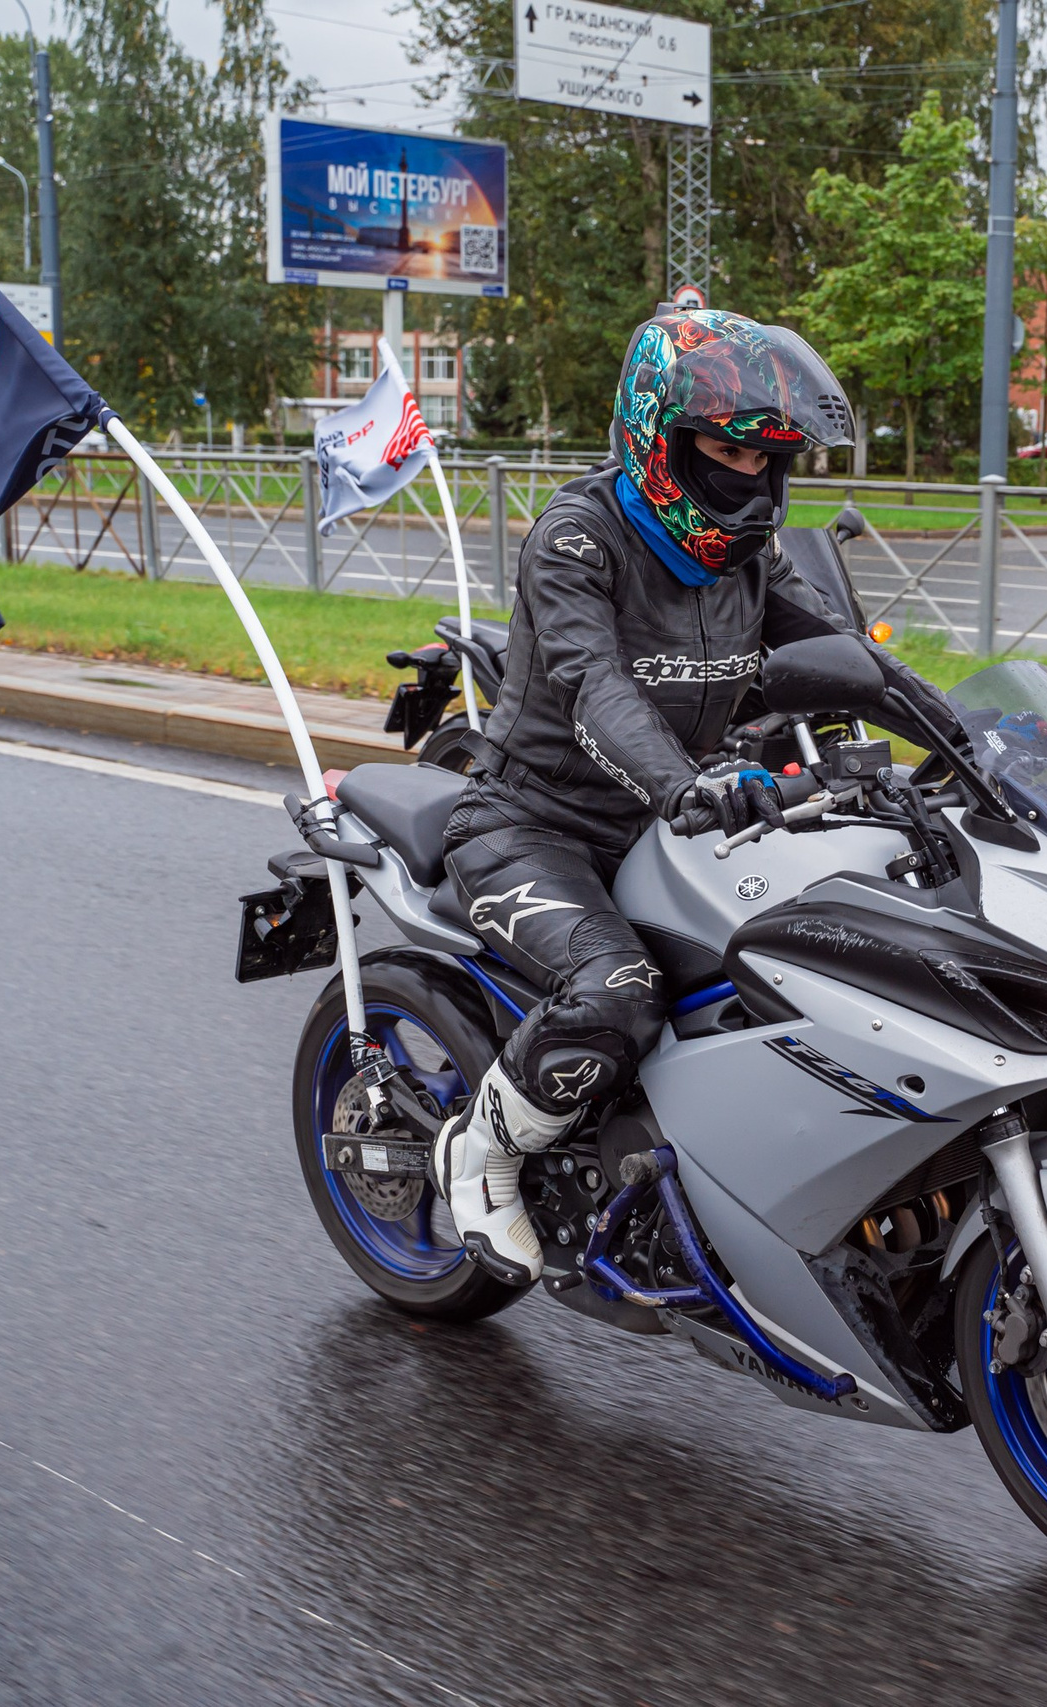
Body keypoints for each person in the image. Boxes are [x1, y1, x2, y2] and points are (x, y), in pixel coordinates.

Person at [429, 309, 959, 1283]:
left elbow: (854, 669)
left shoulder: (751, 555)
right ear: (658, 434)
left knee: (822, 965)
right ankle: (485, 1153)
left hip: (672, 827)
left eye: (770, 458)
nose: (749, 477)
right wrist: (686, 785)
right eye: (726, 449)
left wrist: (978, 752)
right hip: (534, 824)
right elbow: (597, 689)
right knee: (618, 996)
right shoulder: (577, 538)